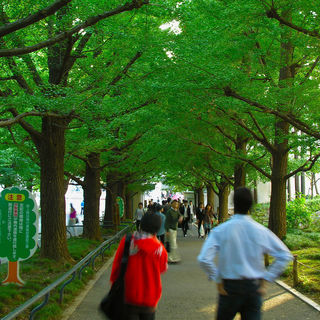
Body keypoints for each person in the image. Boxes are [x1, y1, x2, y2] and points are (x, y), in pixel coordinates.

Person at [198, 187, 292, 320]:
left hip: (229, 287)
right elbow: (284, 255)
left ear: (234, 204)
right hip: (253, 288)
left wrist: (217, 278)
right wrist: (267, 278)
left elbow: (204, 259)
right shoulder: (261, 230)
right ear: (251, 205)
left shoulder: (221, 230)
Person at [110, 213, 168, 320]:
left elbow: (117, 264)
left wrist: (114, 283)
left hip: (128, 294)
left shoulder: (127, 241)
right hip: (150, 297)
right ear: (158, 228)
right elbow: (162, 269)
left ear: (141, 224)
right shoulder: (160, 249)